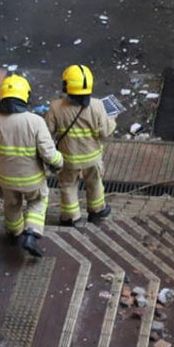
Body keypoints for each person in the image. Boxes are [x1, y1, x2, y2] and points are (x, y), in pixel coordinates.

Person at [0, 74, 62, 257]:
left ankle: (13, 234)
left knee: (11, 205)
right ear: (25, 96)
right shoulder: (35, 122)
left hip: (7, 180)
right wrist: (59, 162)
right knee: (38, 201)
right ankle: (31, 233)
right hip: (32, 180)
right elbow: (48, 153)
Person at [45, 65, 116, 226]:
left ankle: (71, 217)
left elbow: (47, 133)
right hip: (92, 158)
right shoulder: (98, 106)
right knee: (95, 182)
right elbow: (105, 133)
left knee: (68, 185)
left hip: (68, 158)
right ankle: (97, 211)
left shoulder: (56, 107)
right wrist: (112, 120)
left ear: (66, 86)